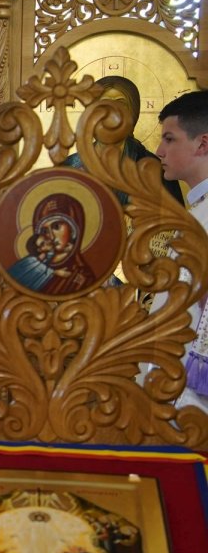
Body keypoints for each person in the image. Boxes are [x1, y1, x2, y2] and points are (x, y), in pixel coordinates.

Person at [155, 90, 208, 412]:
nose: (159, 151)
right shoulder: (197, 212)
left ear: (203, 144)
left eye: (170, 139)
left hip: (194, 397)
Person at [62, 76, 184, 207]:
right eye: (105, 105)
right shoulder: (70, 167)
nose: (114, 112)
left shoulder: (154, 169)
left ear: (133, 112)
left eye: (121, 104)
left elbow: (175, 222)